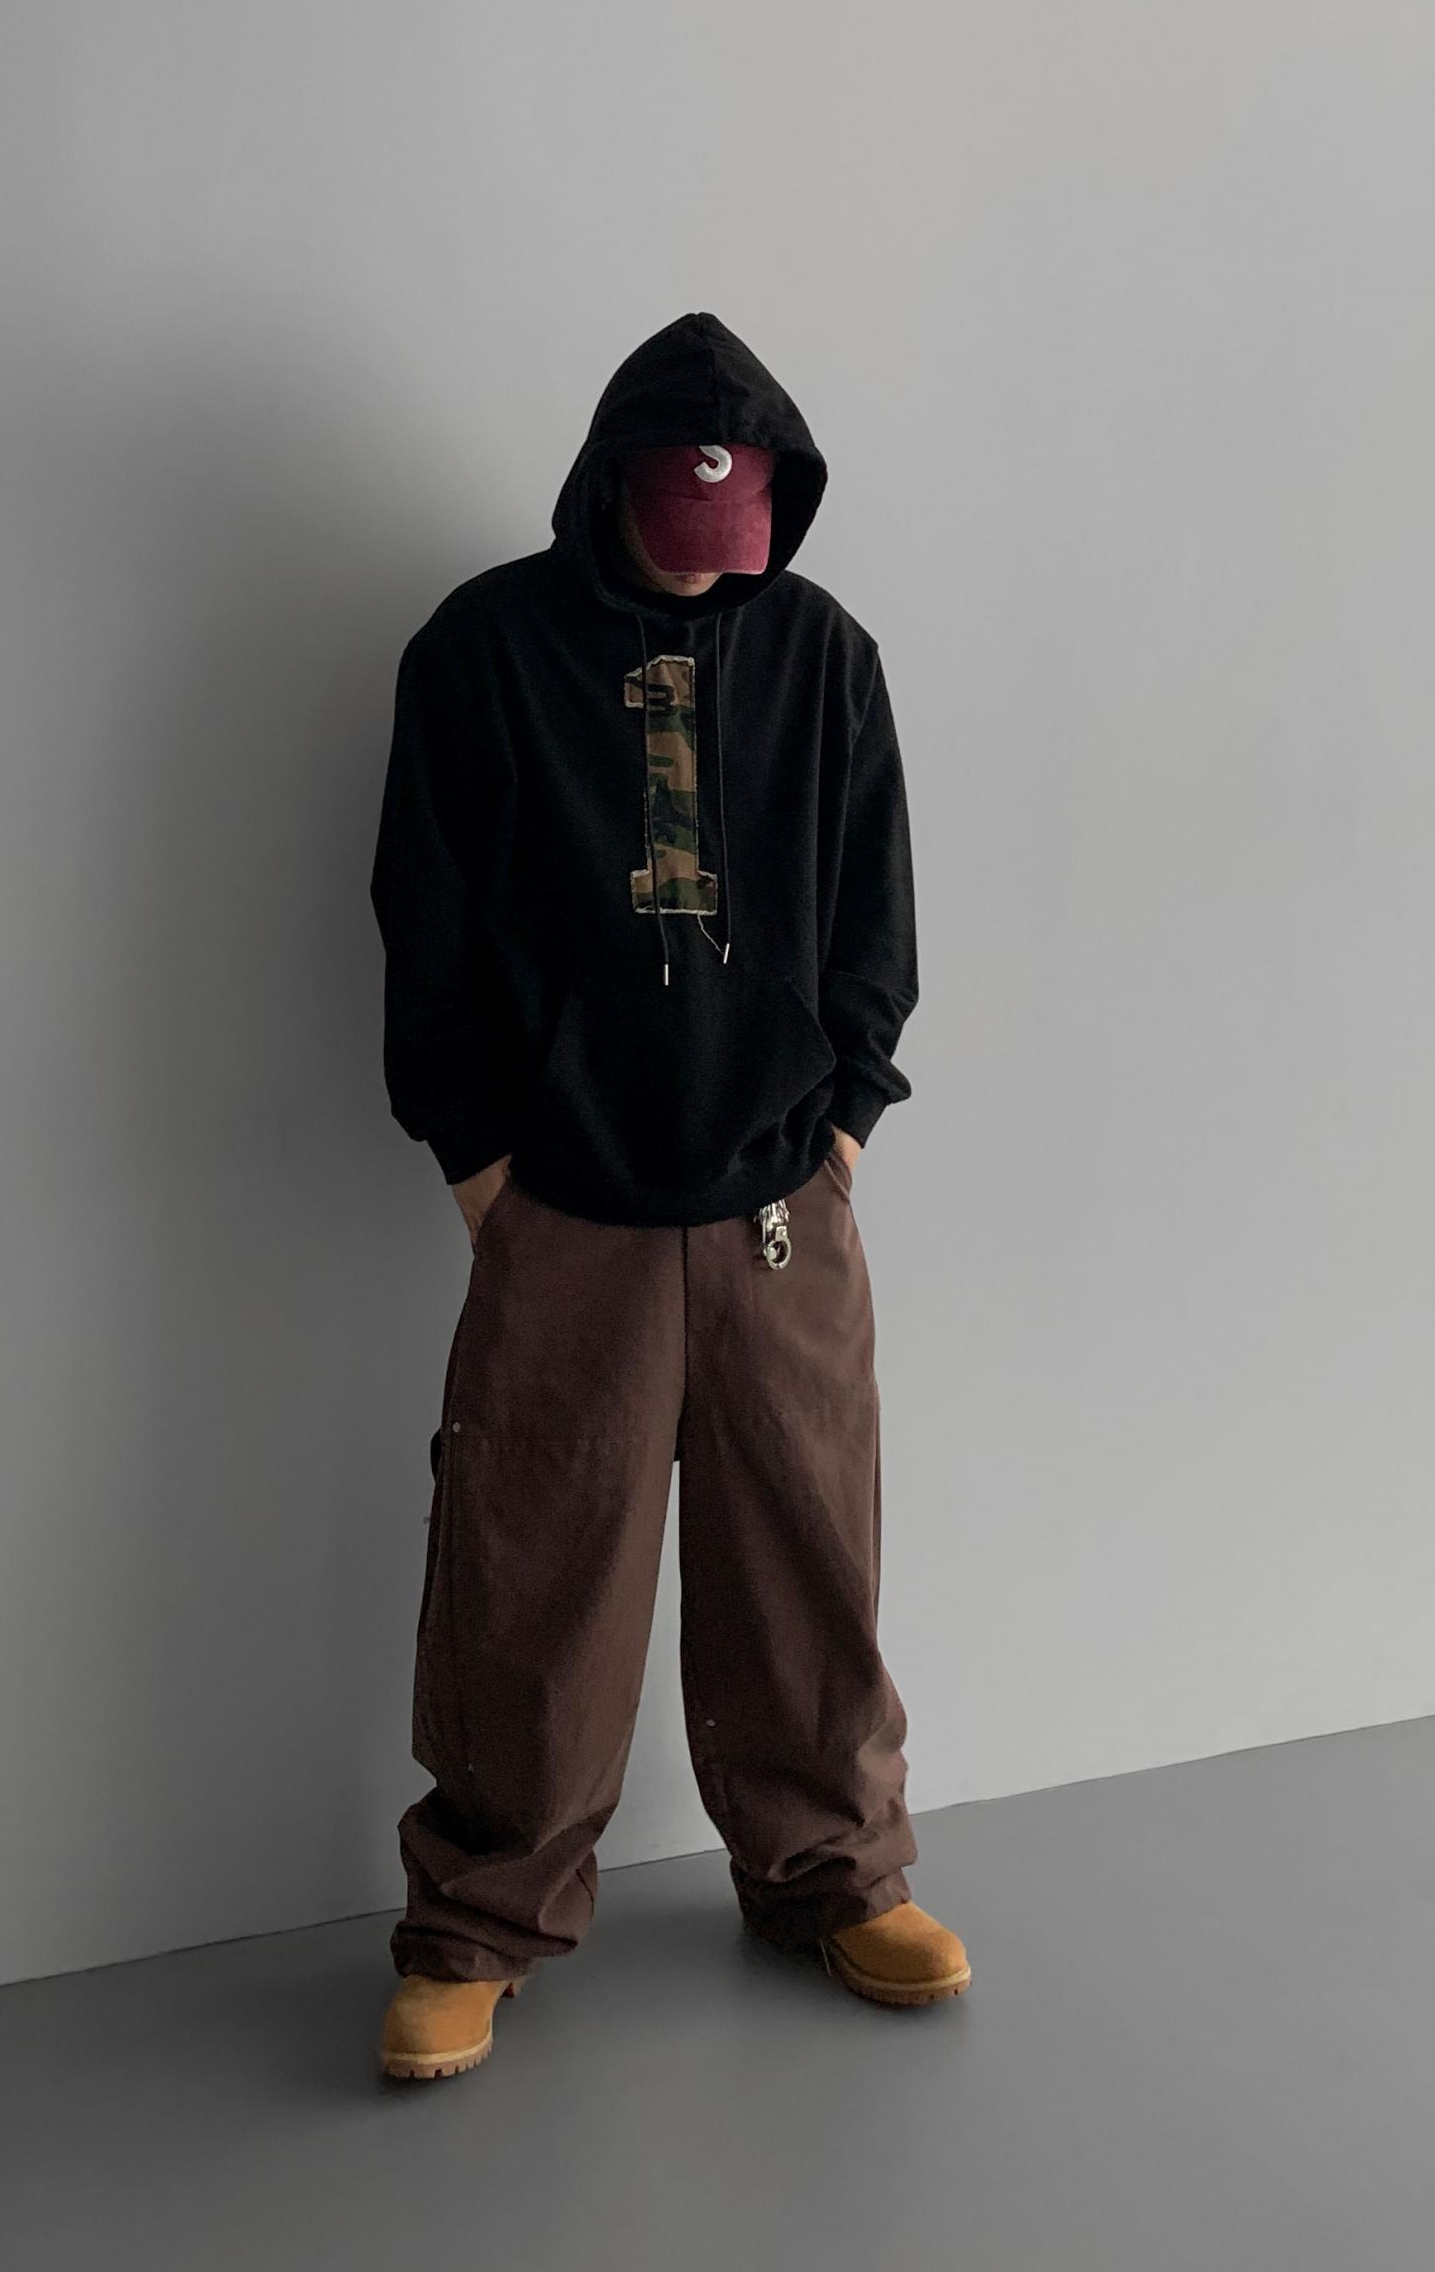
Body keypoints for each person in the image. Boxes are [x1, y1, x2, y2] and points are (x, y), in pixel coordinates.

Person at [367, 310, 968, 2083]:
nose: (712, 562)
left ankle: (834, 1874)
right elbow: (425, 919)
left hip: (784, 1203)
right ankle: (480, 1919)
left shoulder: (824, 655)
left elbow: (878, 914)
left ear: (777, 499)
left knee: (810, 1560)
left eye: (742, 530)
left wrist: (844, 1128)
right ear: (613, 487)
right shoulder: (481, 653)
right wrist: (483, 1170)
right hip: (564, 1205)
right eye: (682, 526)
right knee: (527, 1573)